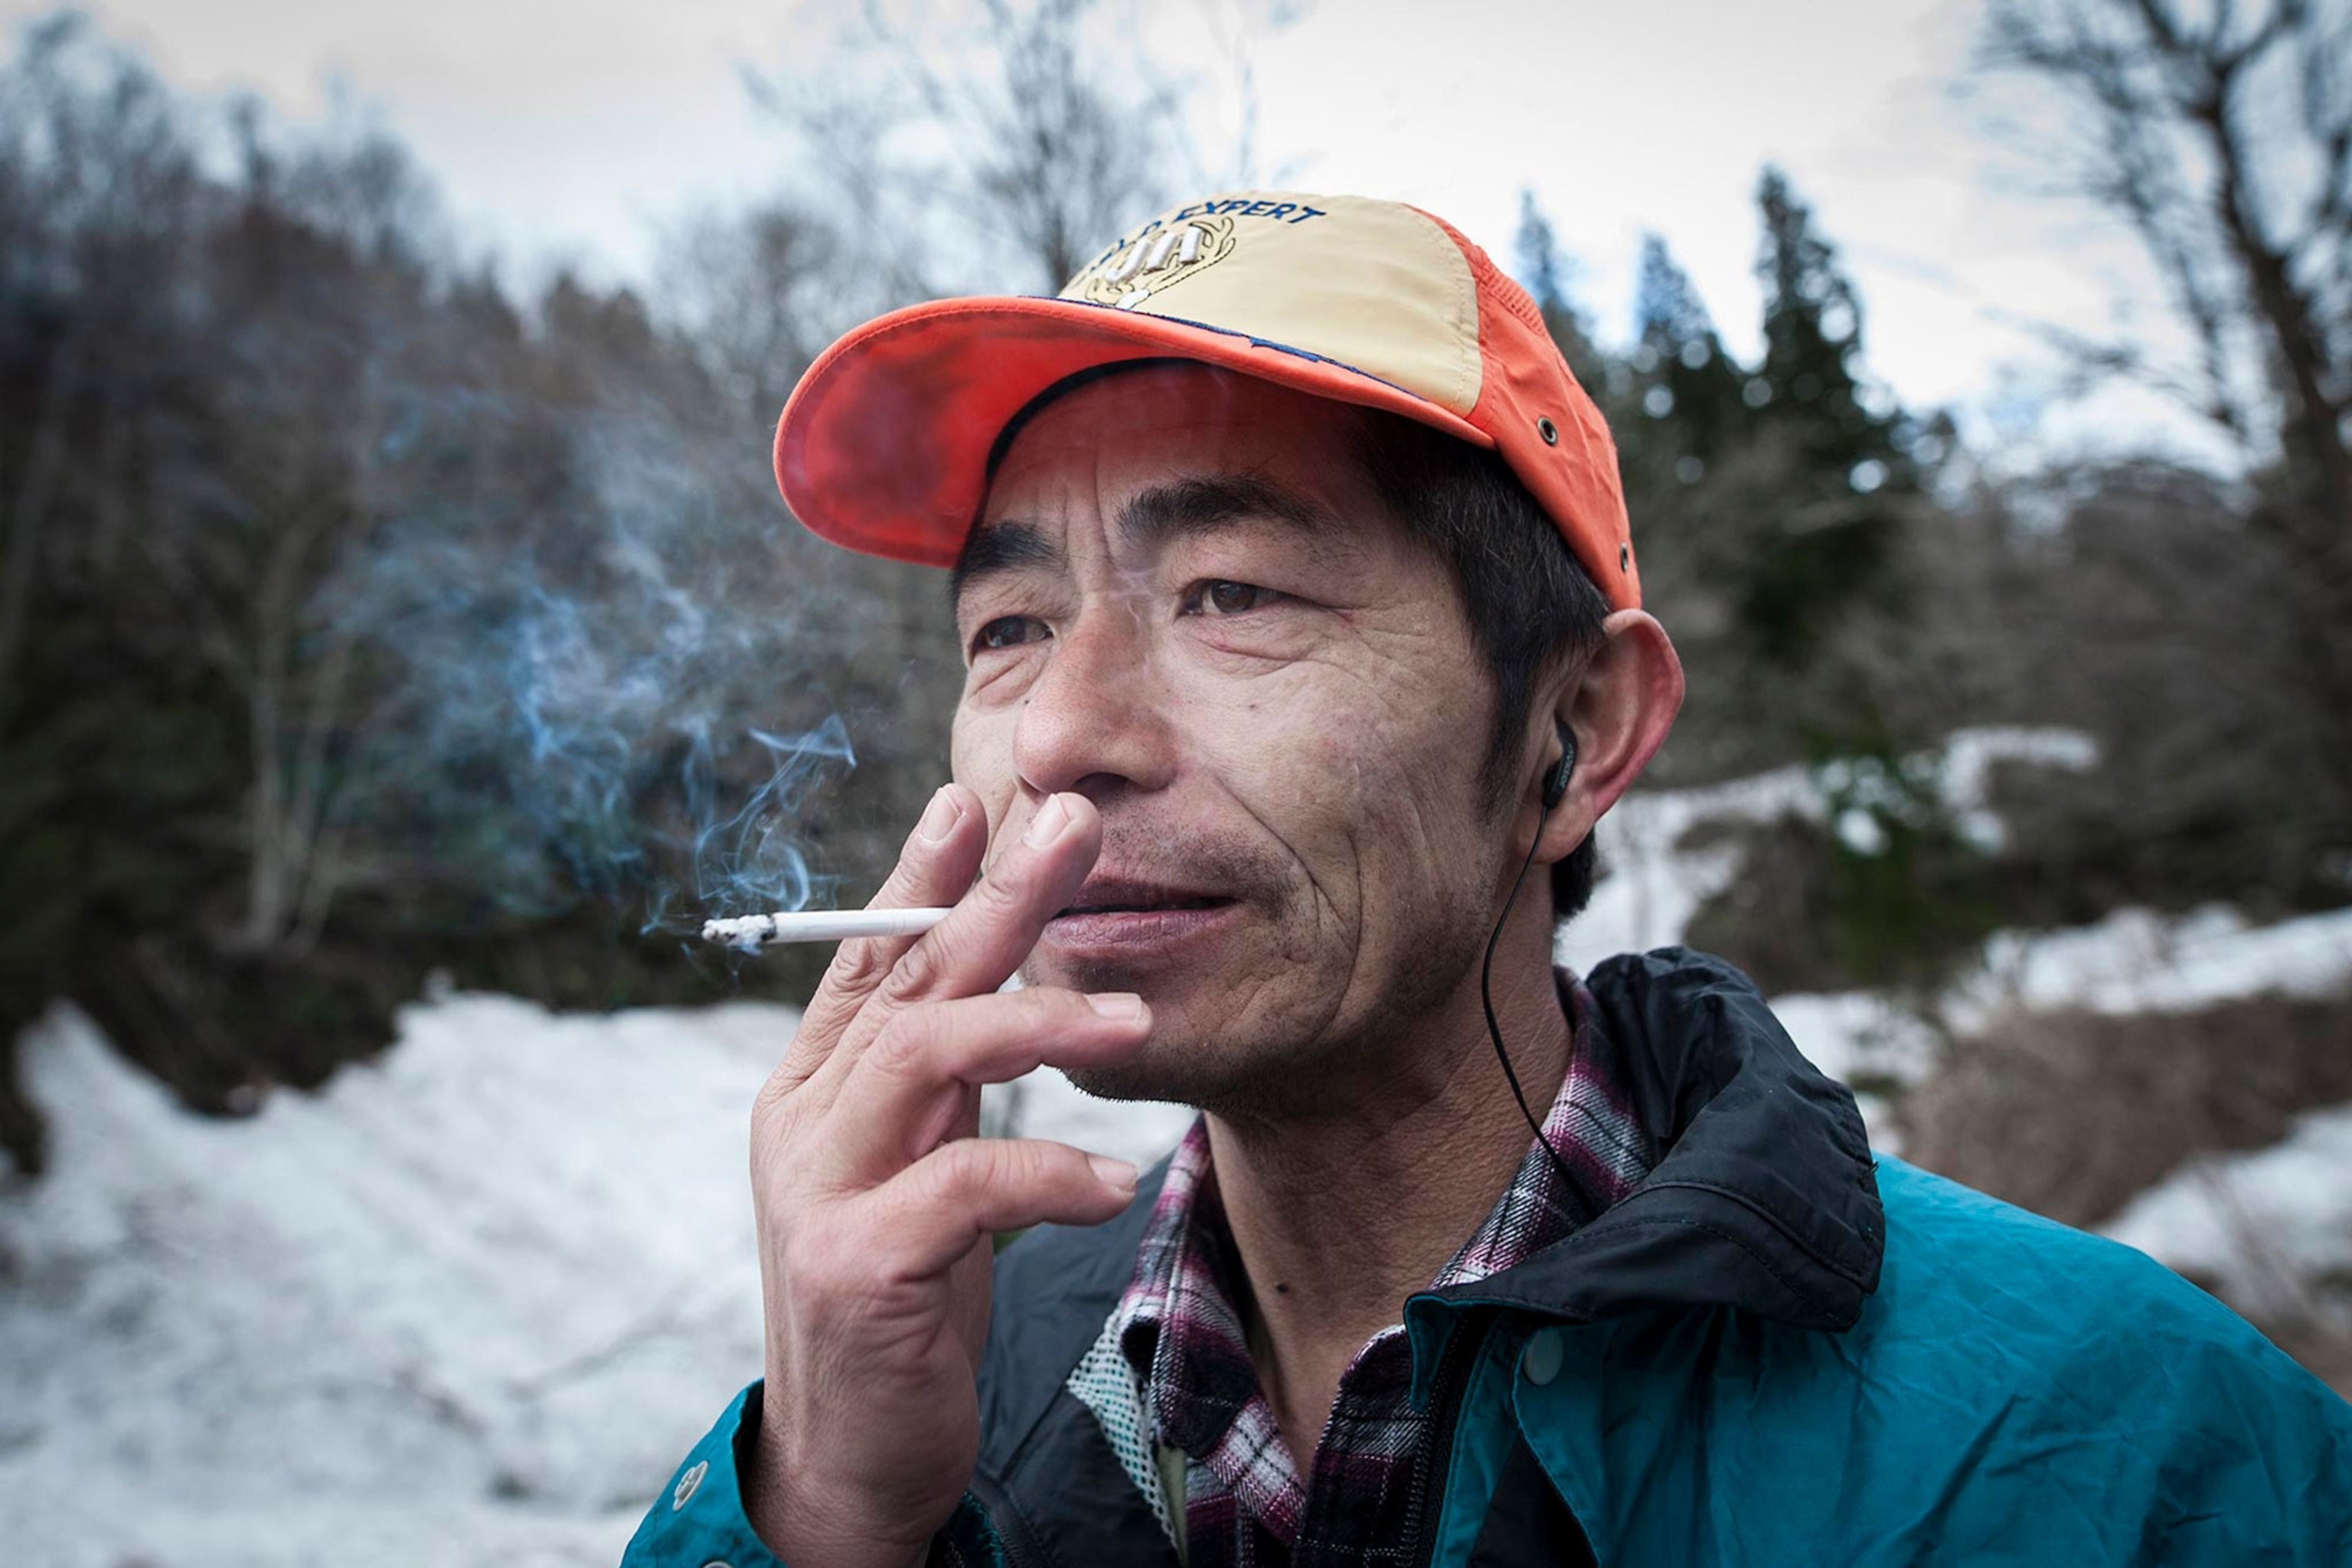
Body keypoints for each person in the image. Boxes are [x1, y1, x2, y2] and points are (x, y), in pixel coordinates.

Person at [626, 192, 2352, 1567]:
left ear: (1577, 730)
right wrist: (821, 1520)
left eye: (1232, 591)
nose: (1063, 732)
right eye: (1008, 629)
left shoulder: (2120, 1451)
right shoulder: (937, 1392)